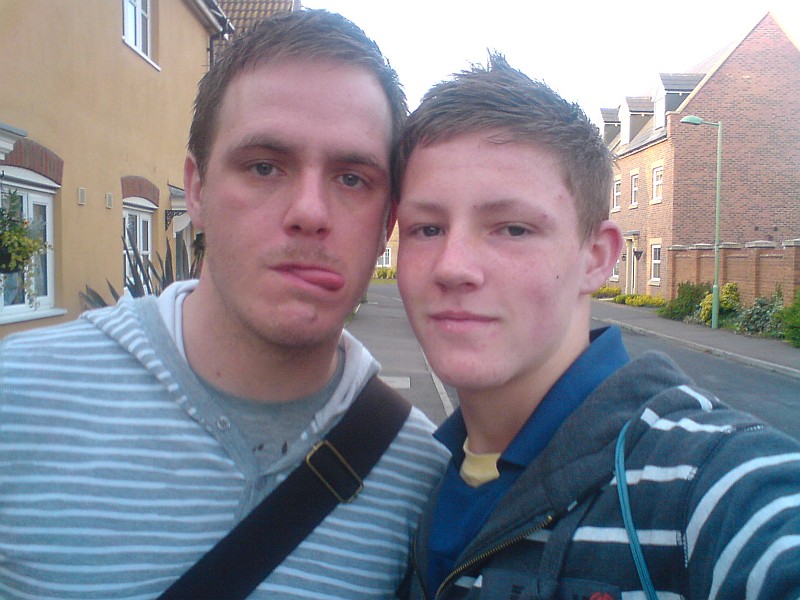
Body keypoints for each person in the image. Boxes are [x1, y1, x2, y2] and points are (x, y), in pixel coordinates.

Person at [0, 10, 449, 599]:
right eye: (264, 166)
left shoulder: (421, 475)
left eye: (351, 178)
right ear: (197, 190)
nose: (309, 212)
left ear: (387, 221)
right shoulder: (18, 400)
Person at [394, 53, 800, 599]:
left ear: (597, 257)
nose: (453, 267)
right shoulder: (403, 480)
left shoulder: (706, 483)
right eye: (426, 228)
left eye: (512, 229)